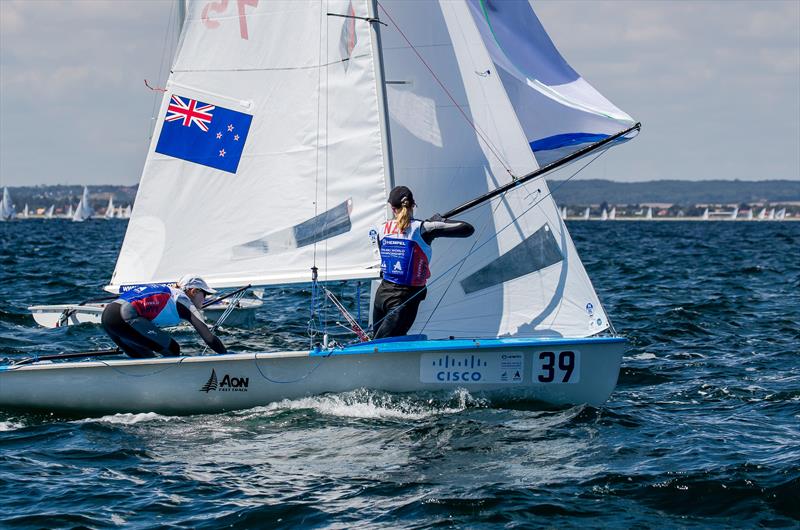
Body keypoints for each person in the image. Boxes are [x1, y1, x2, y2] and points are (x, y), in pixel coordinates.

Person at [372, 186, 474, 339]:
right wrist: (439, 222)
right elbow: (467, 229)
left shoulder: (381, 229)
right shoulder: (424, 228)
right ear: (413, 205)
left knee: (377, 346)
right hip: (402, 301)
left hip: (381, 296)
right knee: (380, 348)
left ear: (393, 208)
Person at [101, 274, 227, 358]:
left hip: (108, 317)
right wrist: (227, 357)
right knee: (173, 348)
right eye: (205, 295)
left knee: (146, 358)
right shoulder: (182, 299)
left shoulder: (169, 292)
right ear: (194, 291)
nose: (204, 300)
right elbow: (209, 338)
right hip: (125, 316)